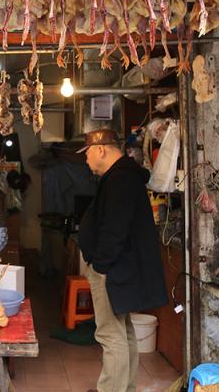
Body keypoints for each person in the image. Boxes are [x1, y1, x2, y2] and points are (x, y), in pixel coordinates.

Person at [76, 129, 167, 392]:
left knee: (109, 334)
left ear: (101, 149)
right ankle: (125, 388)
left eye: (88, 154)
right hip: (120, 268)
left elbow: (115, 228)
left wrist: (100, 265)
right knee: (122, 331)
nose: (86, 160)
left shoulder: (120, 179)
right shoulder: (121, 176)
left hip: (113, 270)